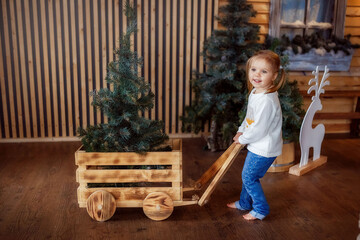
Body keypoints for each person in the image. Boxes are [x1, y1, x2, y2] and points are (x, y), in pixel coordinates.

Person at [227, 50, 285, 221]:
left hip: (265, 147)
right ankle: (245, 203)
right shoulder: (256, 92)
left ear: (274, 76)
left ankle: (260, 209)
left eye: (264, 71)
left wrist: (244, 139)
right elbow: (250, 117)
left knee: (249, 176)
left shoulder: (267, 100)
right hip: (256, 145)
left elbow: (260, 129)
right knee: (248, 175)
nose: (257, 74)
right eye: (254, 70)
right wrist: (241, 129)